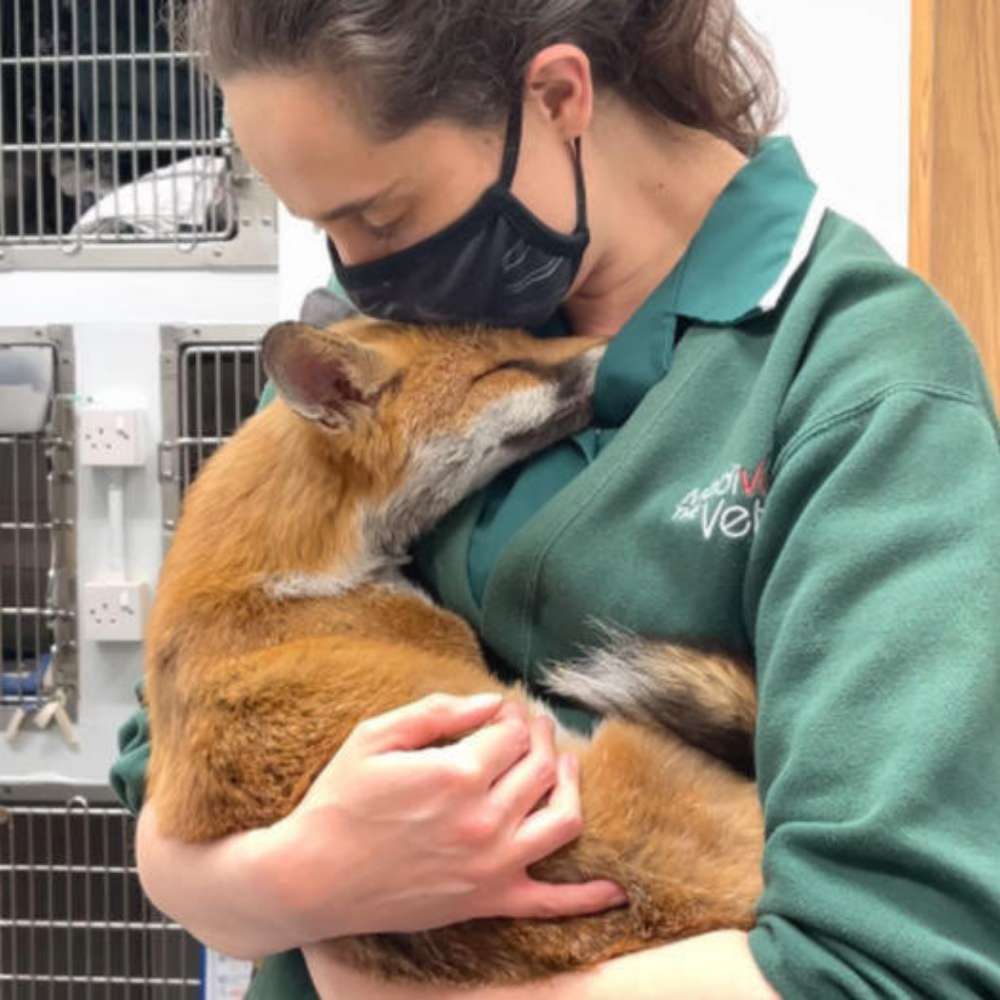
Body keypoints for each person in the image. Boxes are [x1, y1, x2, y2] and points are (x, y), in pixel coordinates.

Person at [110, 1, 1000, 998]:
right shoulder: (376, 356)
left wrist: (392, 978)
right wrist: (303, 879)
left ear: (557, 97)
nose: (359, 276)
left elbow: (890, 964)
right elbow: (165, 789)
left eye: (381, 214)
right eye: (321, 227)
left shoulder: (865, 382)